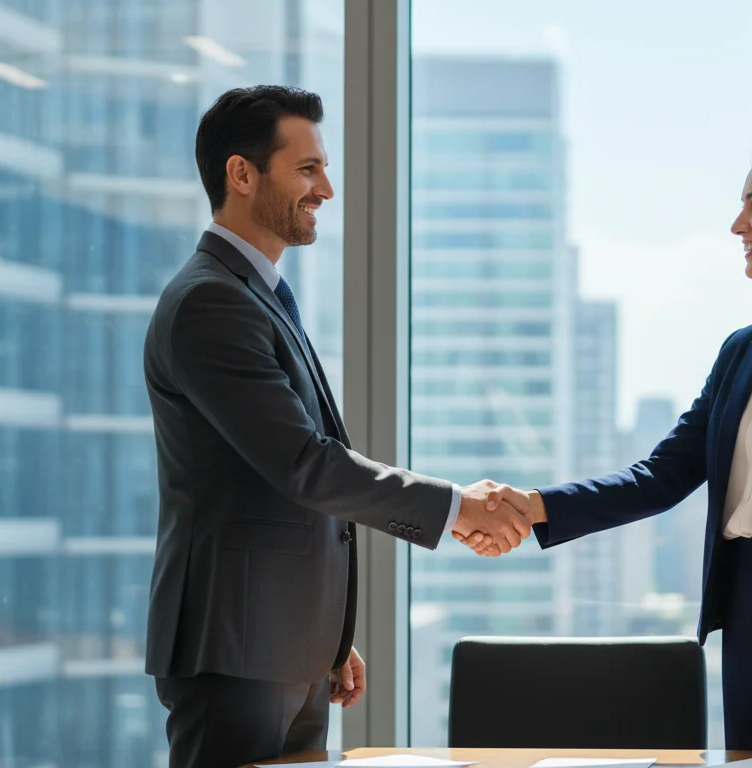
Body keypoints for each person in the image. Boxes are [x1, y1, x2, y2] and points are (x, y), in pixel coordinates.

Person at [465, 137, 752, 768]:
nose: (740, 225)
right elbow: (662, 475)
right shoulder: (742, 350)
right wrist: (537, 506)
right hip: (749, 635)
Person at [143, 85, 531, 768]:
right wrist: (455, 507)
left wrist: (319, 634)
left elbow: (275, 489)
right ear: (242, 174)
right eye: (307, 169)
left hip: (278, 649)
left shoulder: (254, 296)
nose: (326, 188)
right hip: (232, 653)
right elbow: (305, 465)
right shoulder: (211, 301)